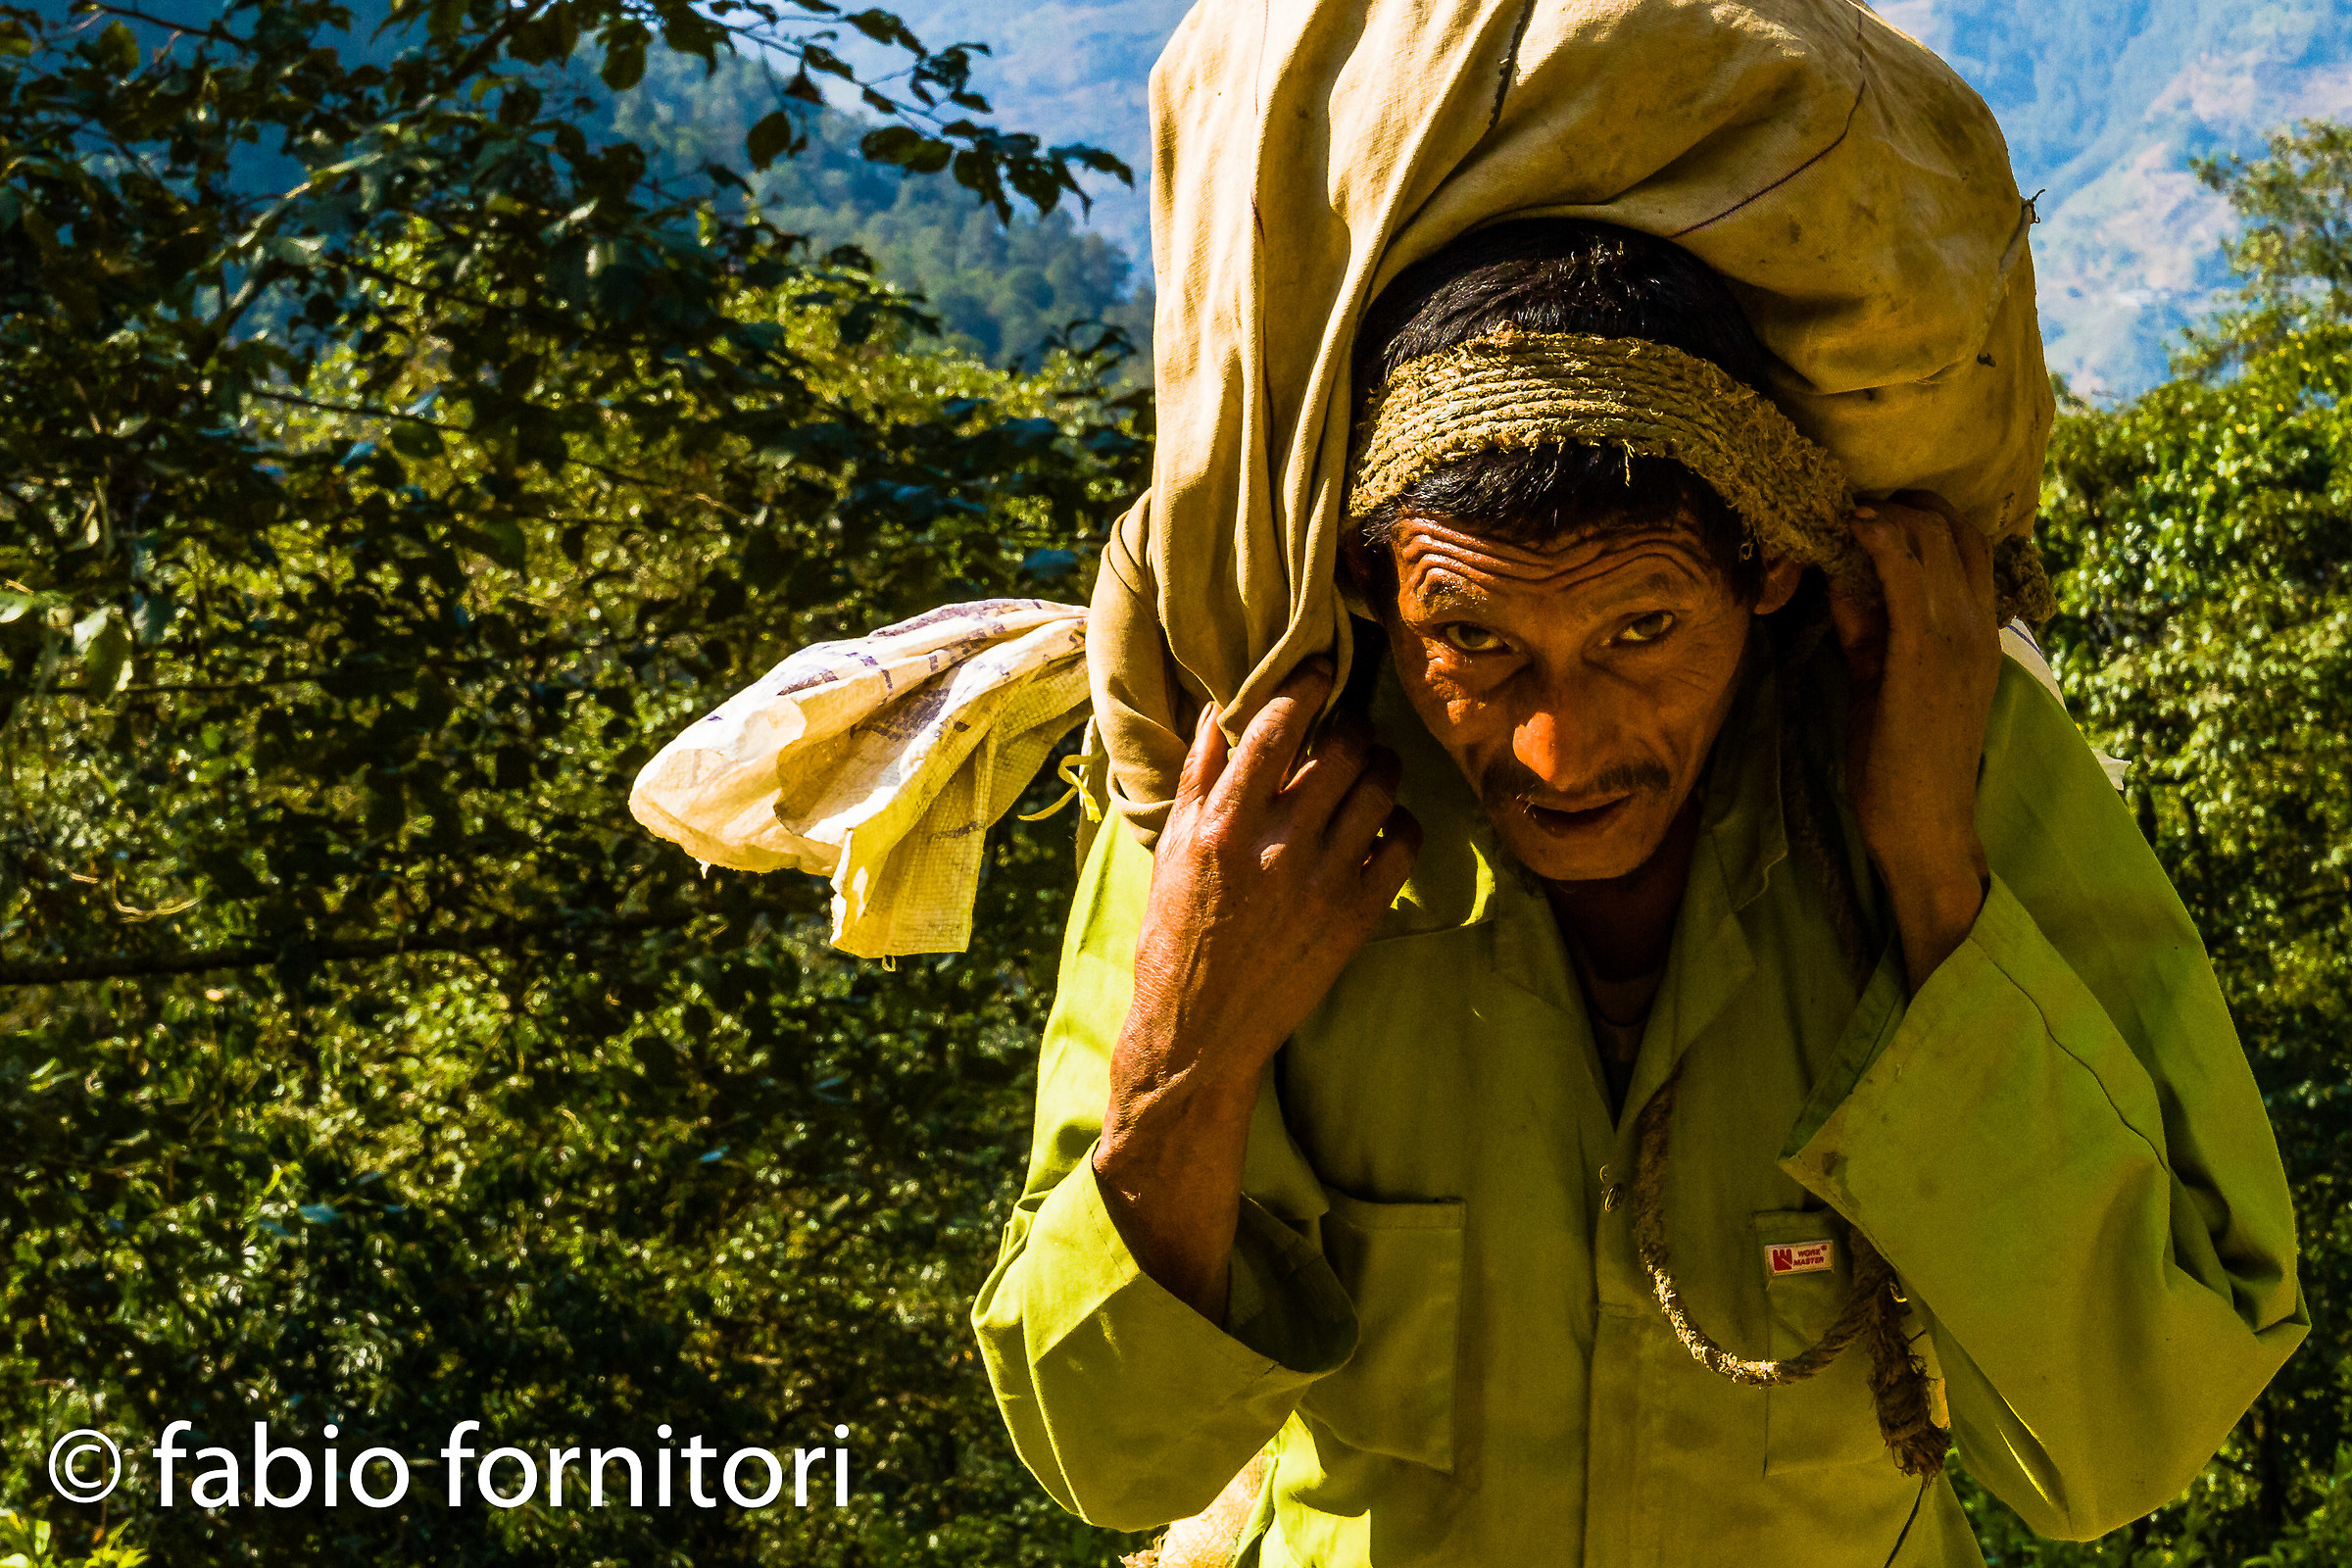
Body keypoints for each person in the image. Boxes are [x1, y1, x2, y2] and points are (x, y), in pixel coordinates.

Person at [969, 219, 2306, 1565]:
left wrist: (1931, 872)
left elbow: (2133, 1437)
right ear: (1379, 595)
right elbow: (1108, 1449)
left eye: (1641, 630)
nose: (1559, 749)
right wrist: (1192, 1051)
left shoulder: (1943, 750)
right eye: (1473, 641)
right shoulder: (1265, 826)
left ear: (1767, 569)